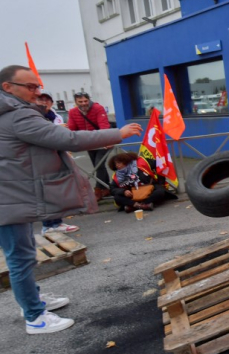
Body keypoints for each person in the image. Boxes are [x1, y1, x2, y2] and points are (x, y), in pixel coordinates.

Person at [0, 65, 142, 334]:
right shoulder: (16, 116)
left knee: (24, 254)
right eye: (30, 87)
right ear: (8, 87)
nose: (38, 92)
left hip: (13, 194)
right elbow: (69, 139)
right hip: (9, 198)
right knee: (20, 257)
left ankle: (32, 299)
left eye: (38, 86)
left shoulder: (12, 113)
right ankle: (35, 317)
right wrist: (118, 133)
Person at [35, 91, 78, 234]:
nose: (44, 103)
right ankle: (47, 225)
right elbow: (45, 135)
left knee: (57, 192)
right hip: (41, 160)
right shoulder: (34, 117)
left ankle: (57, 222)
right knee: (45, 193)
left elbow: (64, 136)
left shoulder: (55, 116)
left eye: (47, 100)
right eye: (41, 100)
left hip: (57, 156)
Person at [67, 92, 112, 201]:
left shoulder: (98, 108)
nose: (83, 104)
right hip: (89, 144)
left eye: (85, 101)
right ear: (76, 102)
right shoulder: (73, 112)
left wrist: (106, 140)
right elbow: (72, 128)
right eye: (80, 102)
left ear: (89, 100)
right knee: (98, 166)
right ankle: (107, 188)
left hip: (103, 142)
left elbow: (104, 126)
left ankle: (98, 190)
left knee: (98, 165)